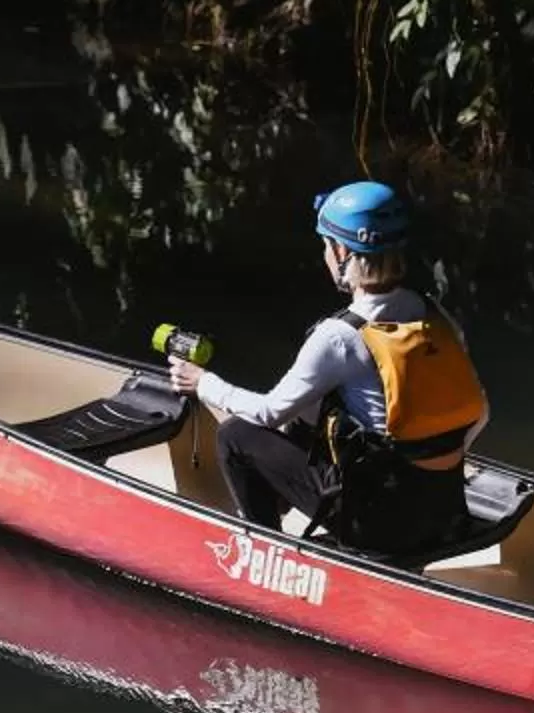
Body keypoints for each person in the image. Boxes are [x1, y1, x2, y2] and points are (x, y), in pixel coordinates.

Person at [163, 181, 489, 553]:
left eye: (325, 246)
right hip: (445, 509)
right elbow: (480, 414)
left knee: (236, 435)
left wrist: (204, 384)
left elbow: (269, 413)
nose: (325, 255)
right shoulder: (436, 315)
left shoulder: (339, 336)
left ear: (342, 251)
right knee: (314, 419)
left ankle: (267, 555)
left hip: (377, 525)